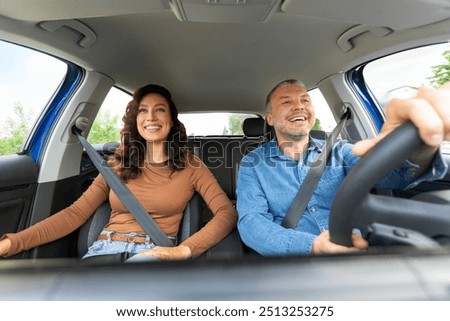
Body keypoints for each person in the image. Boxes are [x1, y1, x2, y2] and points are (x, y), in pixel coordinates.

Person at [0, 84, 237, 261]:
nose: (151, 117)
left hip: (153, 254)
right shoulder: (117, 164)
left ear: (172, 121)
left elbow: (227, 213)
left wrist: (185, 250)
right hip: (101, 251)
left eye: (160, 110)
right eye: (143, 111)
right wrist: (13, 243)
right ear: (136, 121)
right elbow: (75, 214)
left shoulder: (191, 165)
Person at [236, 79, 449, 256]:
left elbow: (392, 178)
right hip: (296, 262)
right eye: (286, 101)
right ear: (270, 118)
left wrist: (419, 146)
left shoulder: (342, 151)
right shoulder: (253, 164)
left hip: (357, 253)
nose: (299, 106)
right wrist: (312, 247)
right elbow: (251, 223)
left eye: (305, 100)